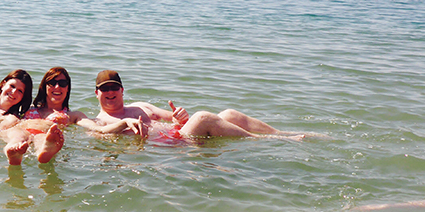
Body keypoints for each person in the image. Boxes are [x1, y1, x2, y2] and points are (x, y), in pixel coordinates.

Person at [0, 66, 145, 165]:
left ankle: (44, 151)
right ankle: (14, 153)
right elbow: (1, 108)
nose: (57, 86)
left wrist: (124, 122)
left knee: (43, 138)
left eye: (63, 83)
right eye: (52, 82)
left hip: (44, 134)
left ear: (68, 89)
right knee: (16, 134)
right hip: (20, 130)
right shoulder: (26, 108)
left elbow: (99, 129)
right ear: (45, 87)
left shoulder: (73, 115)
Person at [91, 70, 307, 141]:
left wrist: (179, 116)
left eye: (114, 88)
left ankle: (283, 133)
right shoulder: (101, 121)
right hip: (169, 147)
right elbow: (99, 134)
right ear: (97, 93)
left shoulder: (141, 106)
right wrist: (123, 125)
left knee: (230, 114)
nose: (110, 93)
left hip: (180, 133)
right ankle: (274, 141)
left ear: (121, 90)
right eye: (105, 89)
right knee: (203, 117)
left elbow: (176, 119)